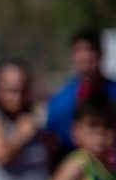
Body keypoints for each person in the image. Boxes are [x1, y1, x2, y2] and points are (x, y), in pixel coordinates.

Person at [46, 30, 116, 164]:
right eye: (79, 51)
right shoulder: (60, 101)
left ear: (101, 54)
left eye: (91, 50)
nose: (85, 57)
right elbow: (52, 142)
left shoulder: (113, 92)